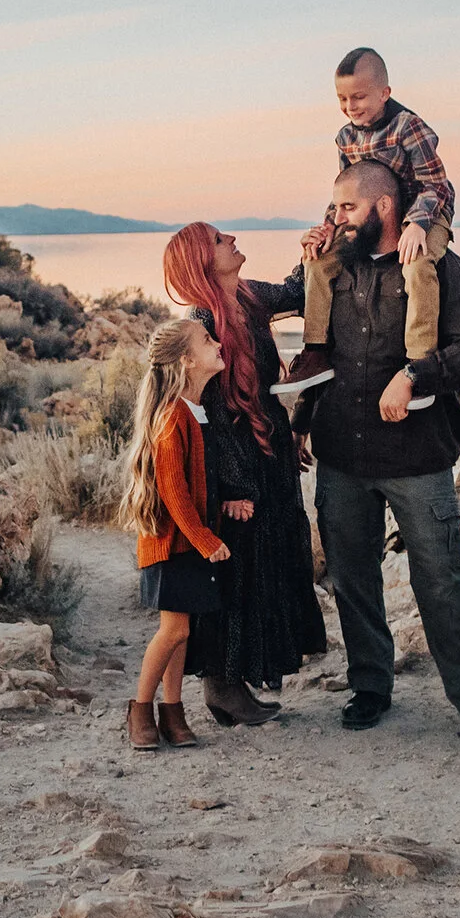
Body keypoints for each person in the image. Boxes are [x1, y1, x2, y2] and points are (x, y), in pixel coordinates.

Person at [304, 157, 460, 751]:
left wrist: (416, 377)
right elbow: (298, 325)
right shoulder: (332, 268)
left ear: (383, 208)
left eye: (347, 208)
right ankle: (370, 686)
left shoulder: (443, 269)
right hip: (341, 454)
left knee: (443, 581)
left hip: (419, 458)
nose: (336, 218)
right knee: (351, 578)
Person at [160, 222, 328, 727]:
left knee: (265, 564)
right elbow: (206, 413)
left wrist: (312, 247)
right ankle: (222, 686)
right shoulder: (203, 319)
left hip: (269, 450)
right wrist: (232, 488)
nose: (230, 238)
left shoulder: (250, 297)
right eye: (217, 239)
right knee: (235, 574)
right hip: (237, 465)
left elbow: (299, 291)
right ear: (202, 261)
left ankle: (238, 686)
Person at [288, 47, 456, 390]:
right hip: (371, 218)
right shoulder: (345, 137)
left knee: (417, 265)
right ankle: (316, 351)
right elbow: (346, 191)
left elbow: (435, 185)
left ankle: (419, 362)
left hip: (426, 209)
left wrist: (416, 225)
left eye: (359, 97)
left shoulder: (409, 128)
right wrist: (329, 228)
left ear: (385, 93)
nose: (350, 107)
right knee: (317, 264)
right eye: (342, 99)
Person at [116, 317, 234, 751]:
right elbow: (174, 491)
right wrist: (206, 540)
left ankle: (173, 712)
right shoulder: (173, 417)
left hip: (189, 544)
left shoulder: (196, 412)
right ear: (187, 360)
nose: (217, 342)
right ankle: (140, 710)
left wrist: (225, 505)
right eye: (207, 340)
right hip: (173, 547)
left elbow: (201, 482)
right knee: (173, 632)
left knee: (182, 630)